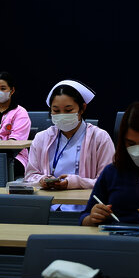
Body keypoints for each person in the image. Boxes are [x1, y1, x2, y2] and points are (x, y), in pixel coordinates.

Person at [24, 80, 114, 211]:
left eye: (68, 110)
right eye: (56, 110)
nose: (62, 115)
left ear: (82, 108)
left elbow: (107, 181)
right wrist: (42, 180)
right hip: (47, 207)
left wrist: (74, 182)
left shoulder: (100, 138)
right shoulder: (42, 138)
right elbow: (30, 176)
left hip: (85, 209)